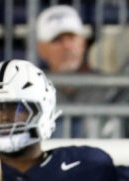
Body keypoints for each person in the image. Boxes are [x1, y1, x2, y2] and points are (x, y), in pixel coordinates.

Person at [34, 4, 101, 139]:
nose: (67, 46)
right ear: (42, 49)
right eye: (57, 40)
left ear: (83, 43)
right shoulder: (33, 89)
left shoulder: (105, 86)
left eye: (71, 38)